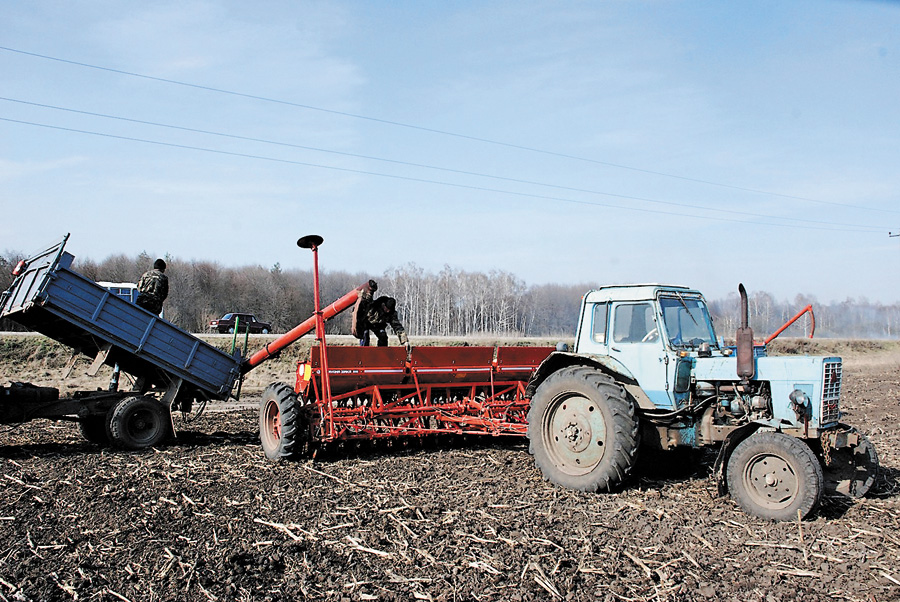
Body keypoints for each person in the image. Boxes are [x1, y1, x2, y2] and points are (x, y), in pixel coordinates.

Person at [351, 279, 409, 347]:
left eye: (389, 310)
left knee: (383, 336)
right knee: (365, 335)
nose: (387, 311)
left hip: (379, 325)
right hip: (366, 322)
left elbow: (398, 327)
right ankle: (364, 353)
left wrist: (405, 341)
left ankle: (381, 354)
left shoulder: (391, 314)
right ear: (383, 305)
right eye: (386, 309)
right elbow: (363, 301)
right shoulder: (373, 304)